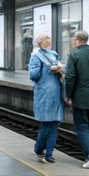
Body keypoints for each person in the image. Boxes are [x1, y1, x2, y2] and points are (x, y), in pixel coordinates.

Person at [64, 29, 89, 168]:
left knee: (81, 126)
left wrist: (68, 95)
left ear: (79, 40)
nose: (73, 41)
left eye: (74, 39)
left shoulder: (74, 55)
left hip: (80, 97)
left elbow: (70, 77)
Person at [28, 33, 64, 163]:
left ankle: (44, 151)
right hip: (50, 92)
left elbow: (33, 75)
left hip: (48, 93)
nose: (48, 41)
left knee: (50, 123)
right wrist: (50, 68)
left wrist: (59, 68)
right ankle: (45, 152)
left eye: (48, 39)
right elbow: (34, 75)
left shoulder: (50, 54)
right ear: (41, 42)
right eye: (46, 40)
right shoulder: (39, 55)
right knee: (51, 123)